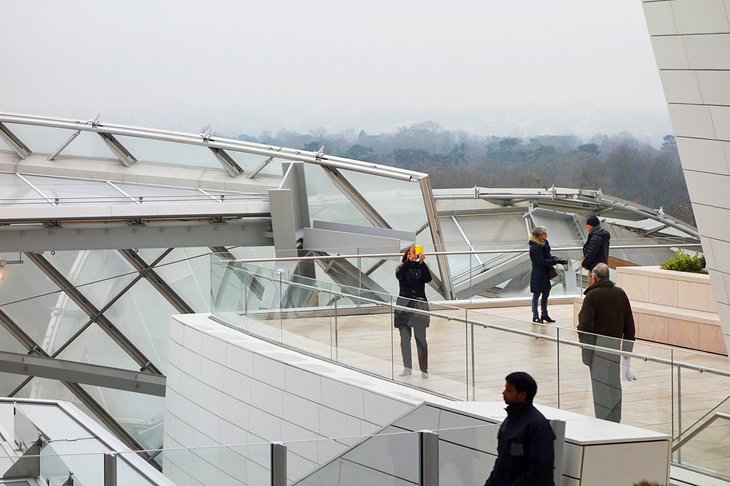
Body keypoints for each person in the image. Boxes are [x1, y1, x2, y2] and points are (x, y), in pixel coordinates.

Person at [577, 263, 637, 423]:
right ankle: (615, 421)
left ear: (594, 278)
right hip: (614, 348)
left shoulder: (592, 296)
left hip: (598, 349)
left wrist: (587, 353)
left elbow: (585, 327)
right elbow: (629, 325)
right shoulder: (620, 293)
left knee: (600, 388)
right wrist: (626, 352)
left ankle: (603, 423)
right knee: (614, 387)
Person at [484, 371, 556, 486]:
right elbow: (502, 461)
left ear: (522, 395)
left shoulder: (537, 425)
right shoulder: (510, 420)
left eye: (509, 390)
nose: (503, 393)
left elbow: (540, 467)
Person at [394, 245, 432, 379]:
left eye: (416, 253)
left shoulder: (421, 268)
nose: (414, 255)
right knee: (405, 339)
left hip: (419, 307)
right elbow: (400, 276)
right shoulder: (401, 268)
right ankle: (407, 367)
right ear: (406, 255)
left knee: (421, 338)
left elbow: (428, 279)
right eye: (411, 253)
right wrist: (409, 262)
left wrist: (421, 263)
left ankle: (424, 369)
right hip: (404, 306)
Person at [529, 226, 567, 323]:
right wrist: (555, 261)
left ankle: (544, 314)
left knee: (545, 294)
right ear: (539, 235)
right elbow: (541, 261)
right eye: (545, 233)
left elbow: (548, 257)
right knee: (536, 294)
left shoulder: (544, 244)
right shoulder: (535, 247)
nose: (547, 234)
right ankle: (535, 316)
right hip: (538, 274)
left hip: (545, 273)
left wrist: (556, 259)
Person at [582, 215, 610, 285]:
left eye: (587, 225)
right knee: (602, 286)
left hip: (594, 268)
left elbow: (591, 253)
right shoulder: (602, 235)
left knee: (593, 287)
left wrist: (584, 263)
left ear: (591, 226)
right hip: (602, 267)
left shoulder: (596, 237)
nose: (586, 227)